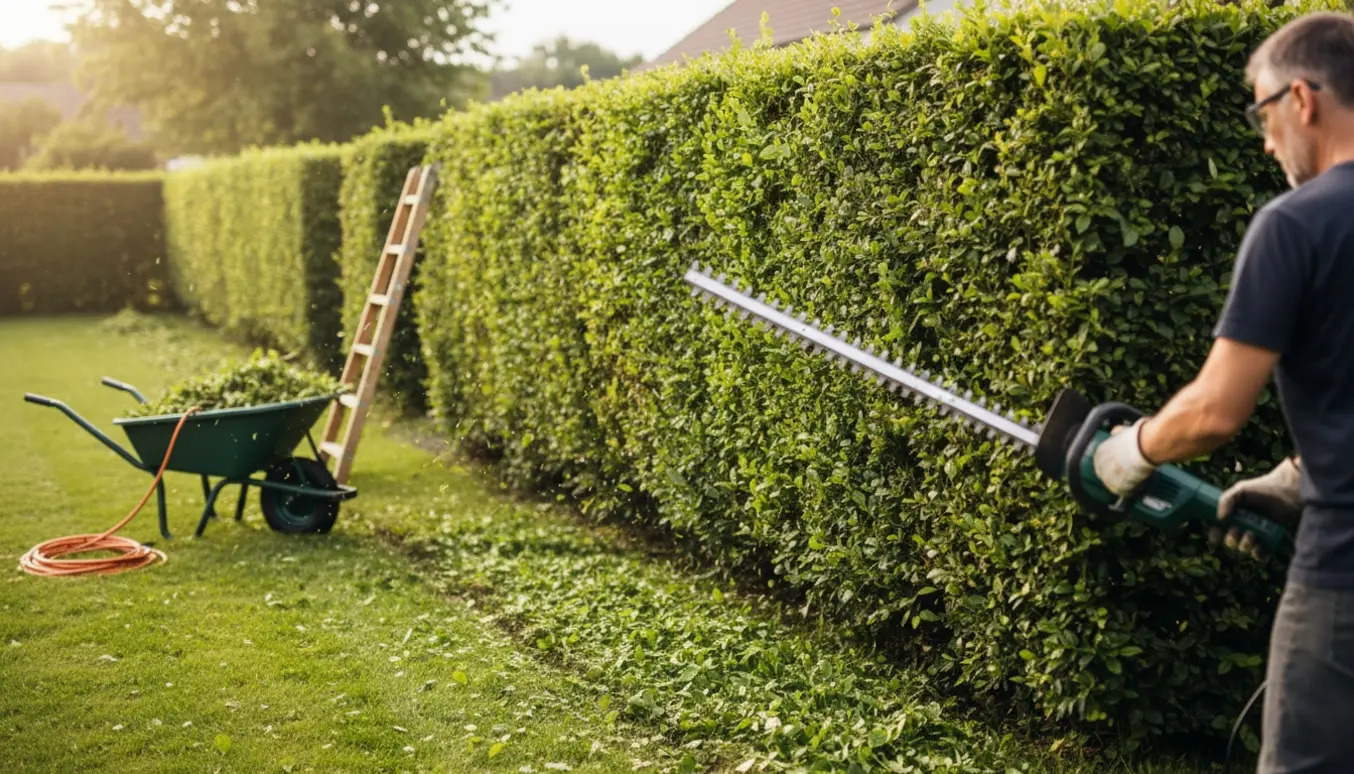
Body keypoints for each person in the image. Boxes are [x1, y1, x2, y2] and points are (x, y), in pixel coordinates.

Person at [1090, 10, 1354, 773]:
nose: (1265, 140)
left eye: (1263, 112)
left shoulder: (1294, 225)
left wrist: (1129, 452)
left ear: (1302, 99)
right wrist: (1305, 472)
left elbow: (1213, 411)